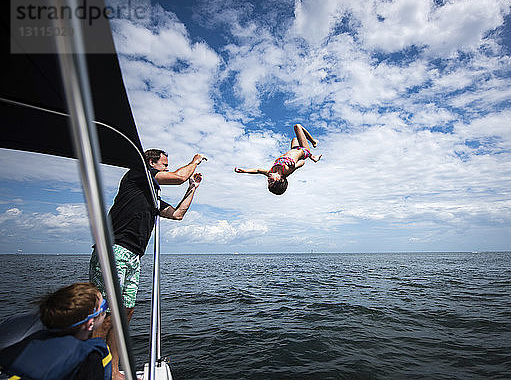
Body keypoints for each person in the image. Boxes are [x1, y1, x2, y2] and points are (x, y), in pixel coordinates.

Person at [89, 149, 206, 380]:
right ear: (151, 163)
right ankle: (93, 371)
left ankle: (113, 371)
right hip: (114, 250)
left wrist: (192, 188)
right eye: (163, 165)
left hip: (134, 256)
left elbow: (177, 214)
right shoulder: (137, 174)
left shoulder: (152, 197)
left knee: (125, 313)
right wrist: (195, 161)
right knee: (106, 315)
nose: (166, 169)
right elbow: (179, 176)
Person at [0, 282, 111, 380]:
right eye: (104, 305)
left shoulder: (34, 341)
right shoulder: (89, 358)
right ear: (90, 323)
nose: (106, 308)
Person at [235, 124, 322, 195]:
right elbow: (302, 162)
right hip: (304, 150)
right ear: (281, 179)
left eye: (268, 182)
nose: (268, 180)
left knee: (295, 139)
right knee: (297, 127)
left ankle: (313, 155)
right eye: (271, 181)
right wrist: (294, 165)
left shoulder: (270, 172)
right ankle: (313, 144)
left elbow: (257, 170)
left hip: (294, 148)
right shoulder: (286, 171)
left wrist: (244, 171)